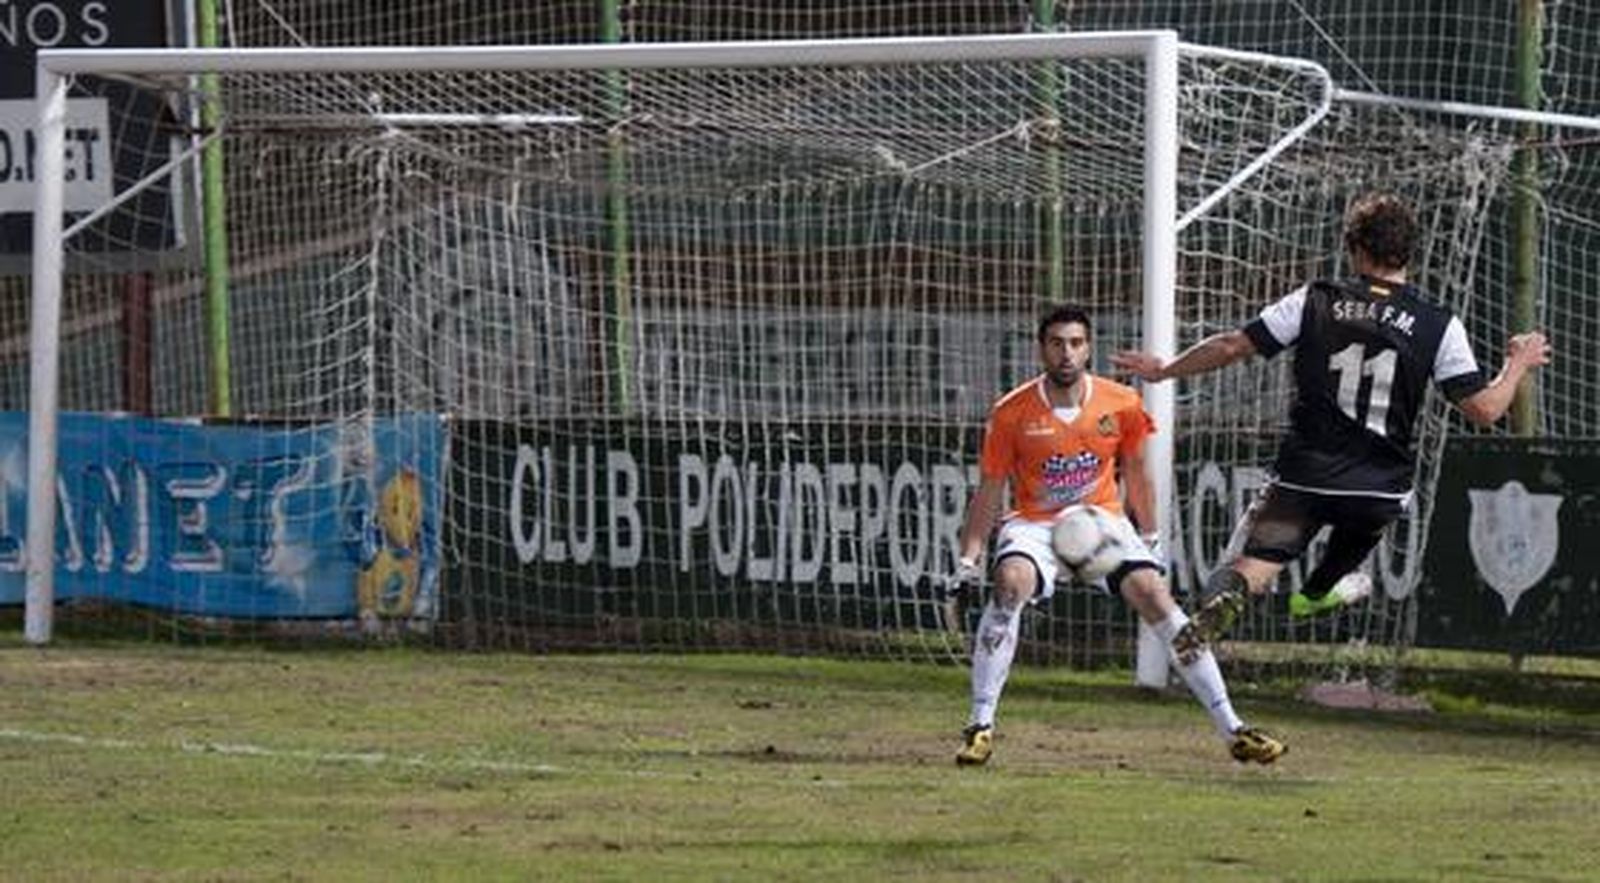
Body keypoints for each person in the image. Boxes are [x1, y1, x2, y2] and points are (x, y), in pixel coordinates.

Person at [1110, 192, 1552, 659]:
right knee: (1352, 541)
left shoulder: (1316, 300)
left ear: (1355, 249)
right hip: (1377, 490)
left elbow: (1232, 346)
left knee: (1256, 564)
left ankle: (1230, 597)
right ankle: (1319, 591)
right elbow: (1485, 410)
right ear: (1410, 253)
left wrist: (1165, 369)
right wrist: (1518, 365)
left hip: (1303, 480)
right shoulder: (1438, 324)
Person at [949, 304, 1284, 767]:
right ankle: (980, 726)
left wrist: (1150, 538)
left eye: (1076, 343)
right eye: (1056, 343)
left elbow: (1139, 475)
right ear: (1041, 349)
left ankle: (1234, 729)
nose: (1066, 353)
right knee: (1009, 584)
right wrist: (968, 562)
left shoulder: (1121, 402)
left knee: (1156, 597)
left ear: (1088, 348)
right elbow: (989, 489)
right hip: (1036, 524)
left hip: (1101, 523)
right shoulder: (1011, 411)